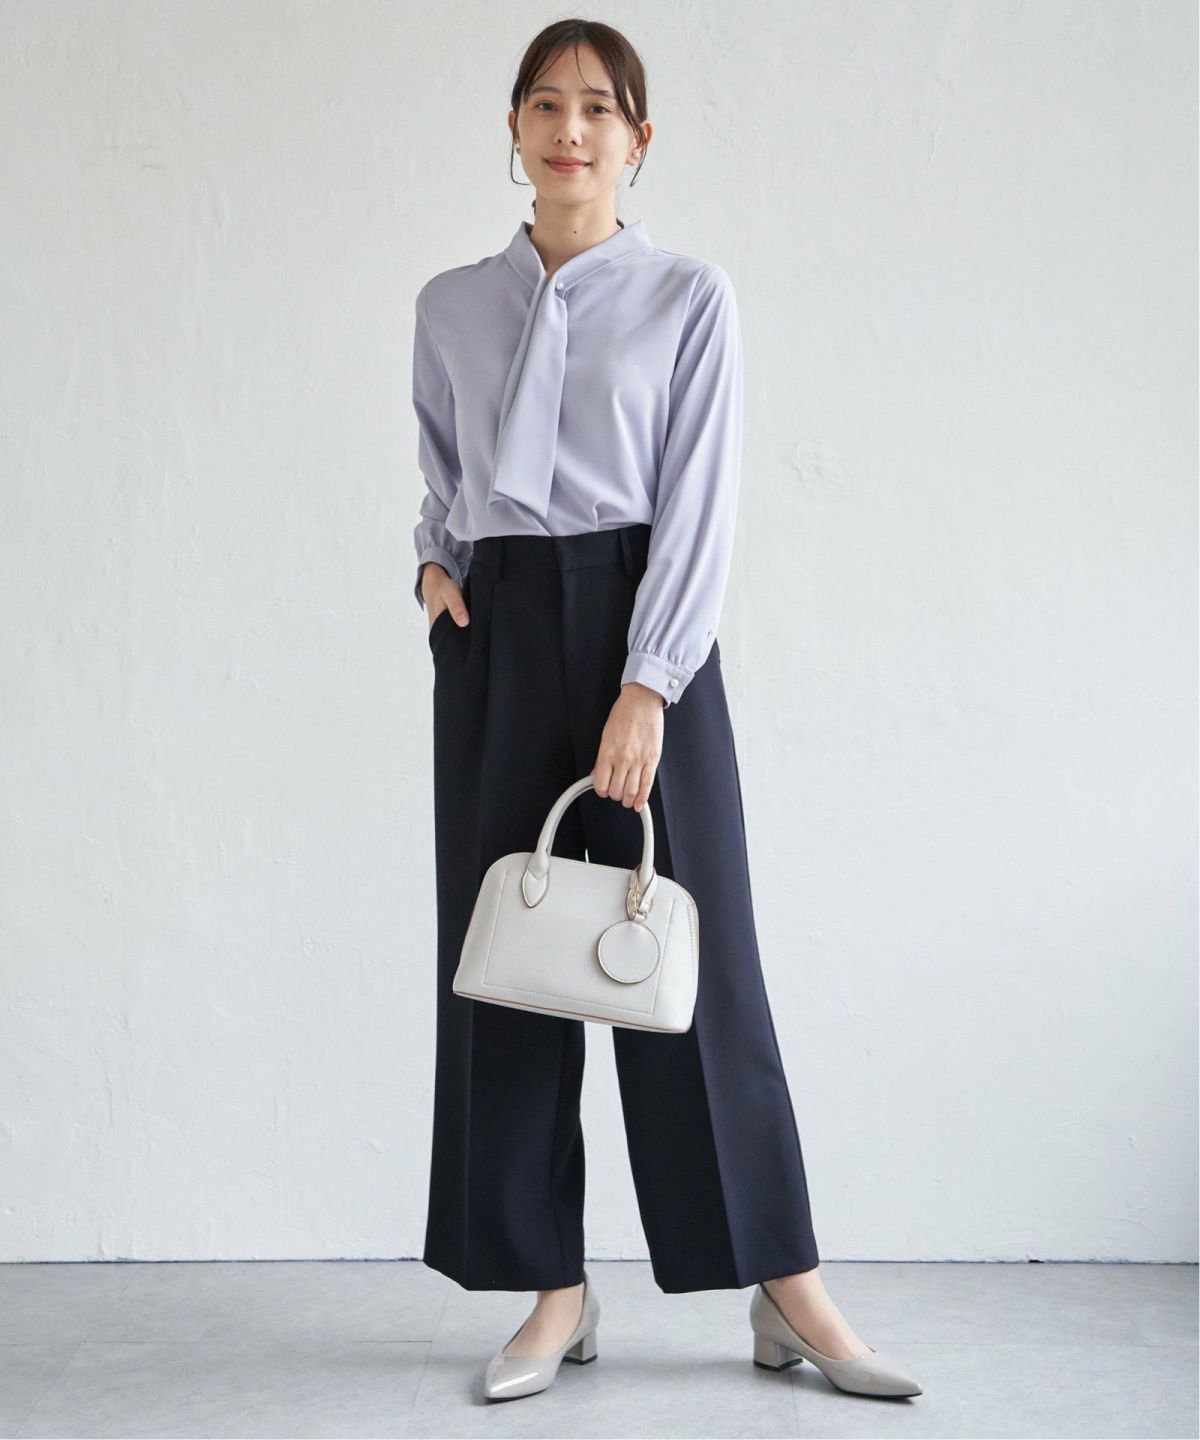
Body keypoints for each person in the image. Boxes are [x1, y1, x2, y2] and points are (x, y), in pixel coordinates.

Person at [411, 18, 924, 1405]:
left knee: (698, 967)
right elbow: (444, 469)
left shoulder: (689, 296)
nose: (569, 129)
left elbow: (700, 502)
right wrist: (436, 568)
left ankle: (784, 1286)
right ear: (513, 129)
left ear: (639, 139)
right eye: (545, 104)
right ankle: (553, 1292)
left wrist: (649, 681)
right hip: (498, 633)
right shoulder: (450, 305)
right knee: (511, 965)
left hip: (644, 624)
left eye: (599, 108)